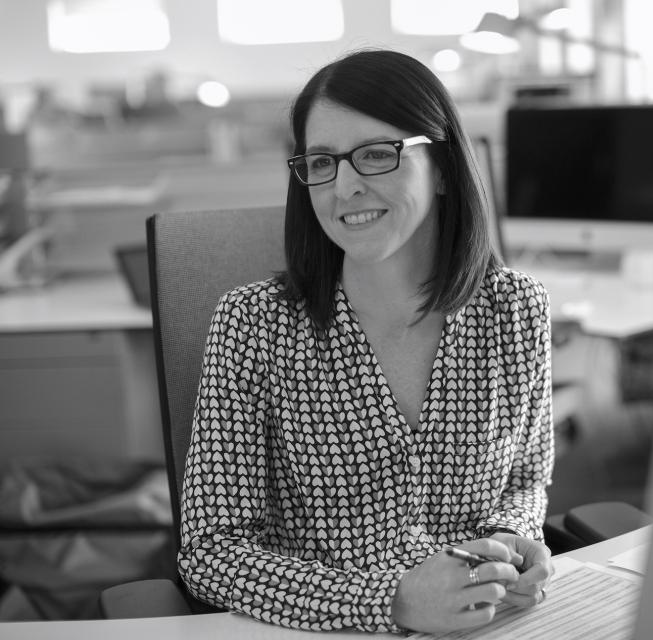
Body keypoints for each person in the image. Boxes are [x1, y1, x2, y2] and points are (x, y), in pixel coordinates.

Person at [177, 48, 556, 634]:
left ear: (444, 168)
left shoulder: (516, 310)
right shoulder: (254, 325)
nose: (345, 187)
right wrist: (390, 601)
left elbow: (527, 480)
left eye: (377, 154)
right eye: (322, 162)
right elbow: (210, 552)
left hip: (486, 622)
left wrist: (510, 539)